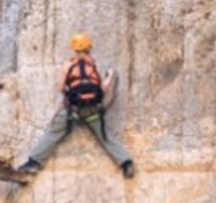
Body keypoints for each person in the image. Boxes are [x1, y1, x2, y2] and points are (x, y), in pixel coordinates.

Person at [18, 33, 135, 177]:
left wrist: (71, 94)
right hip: (93, 111)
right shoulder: (94, 64)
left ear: (74, 48)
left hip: (73, 111)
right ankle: (126, 162)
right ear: (89, 47)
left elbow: (61, 88)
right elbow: (102, 89)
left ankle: (34, 163)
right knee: (105, 136)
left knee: (54, 132)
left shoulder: (68, 65)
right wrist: (110, 76)